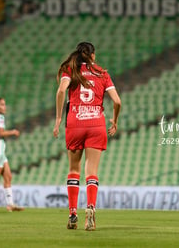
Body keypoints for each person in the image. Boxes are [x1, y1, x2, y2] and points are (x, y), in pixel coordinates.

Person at [53, 42, 121, 231]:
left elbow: (61, 91)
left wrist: (59, 118)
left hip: (75, 122)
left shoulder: (70, 69)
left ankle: (72, 213)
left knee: (74, 169)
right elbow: (117, 101)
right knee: (92, 171)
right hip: (96, 123)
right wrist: (114, 121)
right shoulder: (102, 72)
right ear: (91, 55)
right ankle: (90, 208)